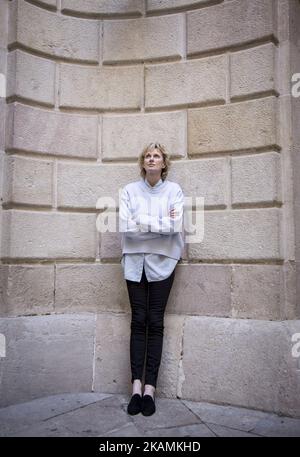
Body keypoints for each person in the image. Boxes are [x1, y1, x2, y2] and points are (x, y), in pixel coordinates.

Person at [119, 142, 184, 416]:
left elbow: (176, 226)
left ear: (164, 163)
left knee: (155, 322)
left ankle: (150, 390)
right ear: (142, 162)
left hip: (164, 263)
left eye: (156, 155)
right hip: (134, 263)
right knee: (138, 320)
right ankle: (136, 387)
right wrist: (158, 223)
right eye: (147, 155)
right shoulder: (129, 191)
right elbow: (124, 228)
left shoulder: (174, 191)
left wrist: (141, 220)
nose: (151, 159)